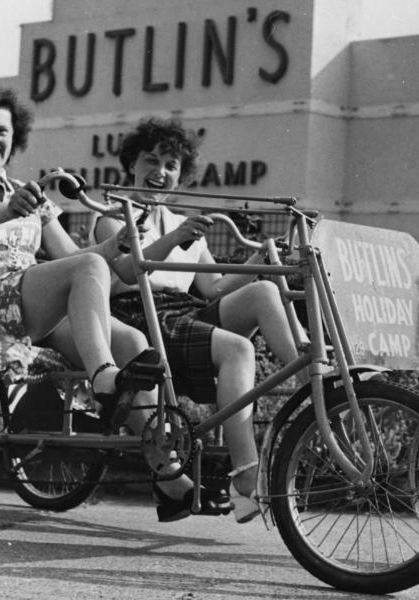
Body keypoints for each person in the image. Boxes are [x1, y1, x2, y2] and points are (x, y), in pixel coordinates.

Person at [0, 86, 232, 519]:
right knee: (91, 279)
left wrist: (117, 242)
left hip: (29, 300)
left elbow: (71, 258)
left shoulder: (25, 192)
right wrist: (8, 210)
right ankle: (103, 379)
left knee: (133, 343)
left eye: (2, 131)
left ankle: (168, 474)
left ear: (14, 136)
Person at [91, 117, 306, 523]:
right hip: (140, 313)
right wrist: (174, 239)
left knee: (263, 291)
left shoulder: (182, 224)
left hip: (179, 314)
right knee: (239, 348)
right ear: (131, 166)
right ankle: (245, 474)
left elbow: (213, 289)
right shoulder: (115, 216)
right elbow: (120, 275)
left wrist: (259, 257)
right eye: (151, 161)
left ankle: (311, 375)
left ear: (181, 175)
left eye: (171, 165)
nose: (160, 172)